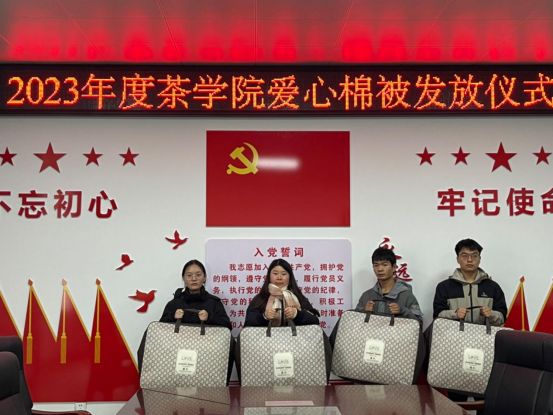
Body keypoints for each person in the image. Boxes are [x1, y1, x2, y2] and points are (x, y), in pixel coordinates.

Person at [433, 239, 507, 326]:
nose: (469, 260)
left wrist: (491, 314)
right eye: (464, 256)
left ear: (480, 259)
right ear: (457, 259)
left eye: (474, 256)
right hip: (453, 334)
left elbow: (503, 317)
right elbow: (437, 315)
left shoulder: (492, 286)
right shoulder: (444, 287)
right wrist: (455, 314)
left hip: (484, 334)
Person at [355, 247, 423, 325]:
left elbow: (419, 323)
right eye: (376, 265)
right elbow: (354, 322)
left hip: (397, 333)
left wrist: (402, 311)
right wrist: (364, 310)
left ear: (394, 267)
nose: (380, 269)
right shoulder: (366, 295)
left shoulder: (406, 295)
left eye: (384, 265)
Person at [244, 258, 320, 327]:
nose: (279, 278)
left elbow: (315, 320)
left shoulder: (298, 297)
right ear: (269, 276)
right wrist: (264, 317)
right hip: (266, 338)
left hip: (295, 338)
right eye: (275, 273)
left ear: (289, 277)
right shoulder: (261, 298)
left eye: (283, 274)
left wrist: (297, 315)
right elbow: (248, 321)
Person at [160, 259, 232, 329]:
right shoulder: (175, 303)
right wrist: (172, 316)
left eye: (198, 275)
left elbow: (228, 327)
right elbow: (160, 327)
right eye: (189, 275)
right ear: (183, 278)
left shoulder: (214, 303)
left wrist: (210, 317)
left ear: (204, 277)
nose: (194, 279)